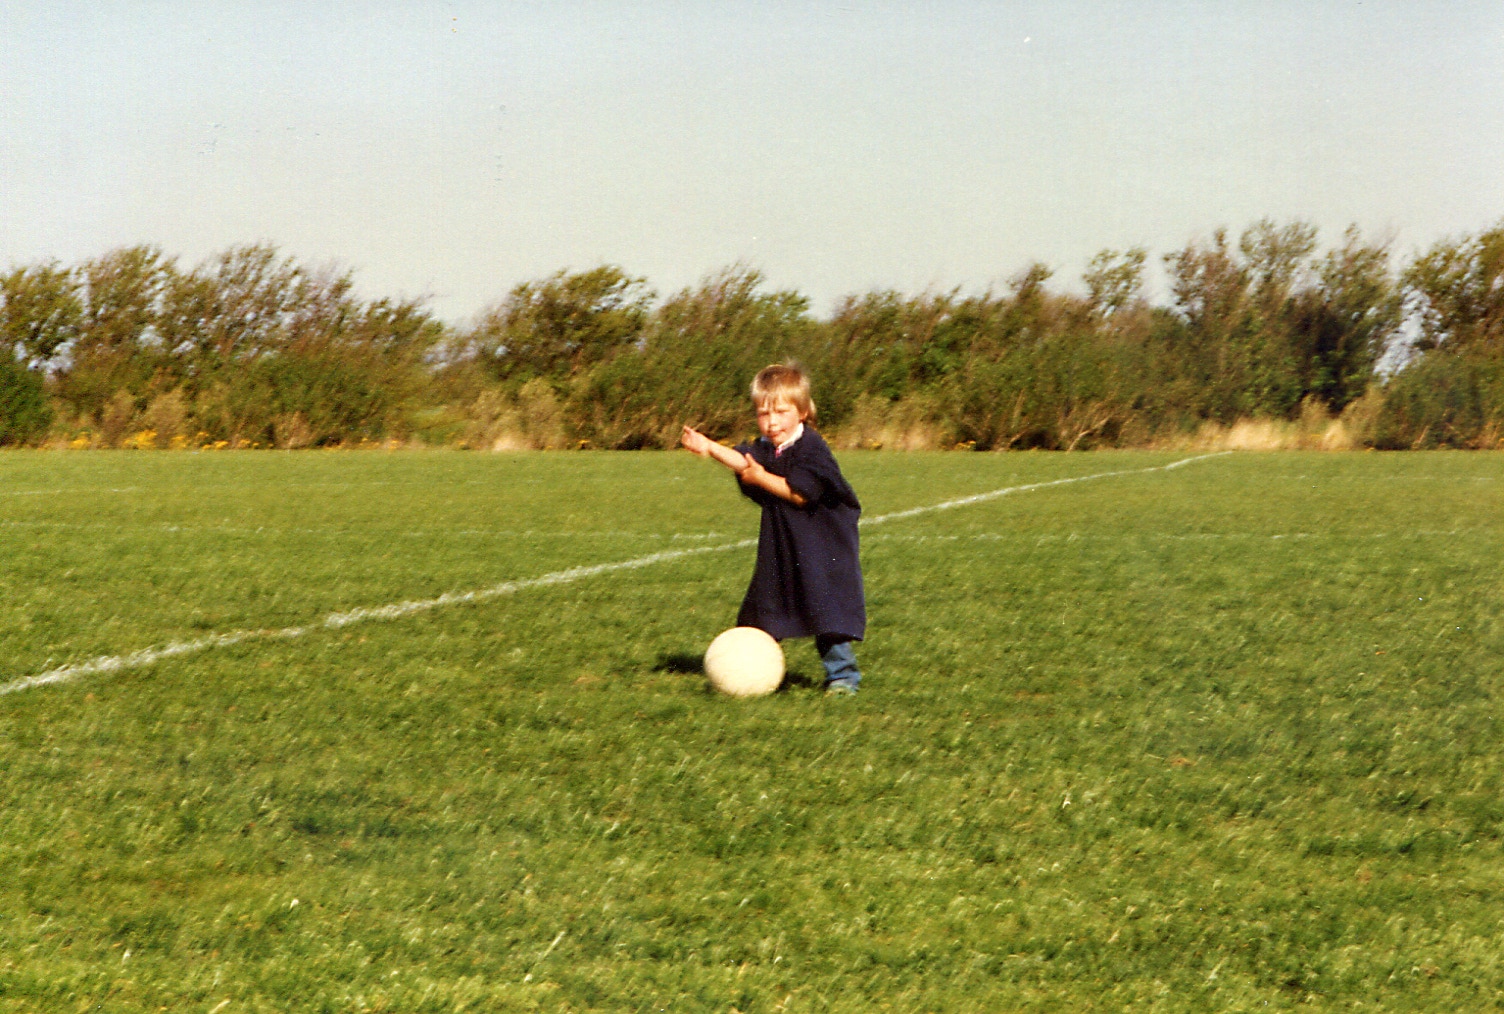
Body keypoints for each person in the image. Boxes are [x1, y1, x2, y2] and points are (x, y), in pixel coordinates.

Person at [681, 363, 866, 695]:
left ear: (803, 412)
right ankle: (747, 667)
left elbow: (799, 493)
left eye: (781, 412)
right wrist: (709, 447)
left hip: (823, 546)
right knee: (767, 606)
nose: (772, 422)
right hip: (784, 543)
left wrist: (760, 477)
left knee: (826, 609)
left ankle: (842, 676)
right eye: (764, 413)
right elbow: (745, 461)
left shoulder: (812, 448)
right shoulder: (768, 446)